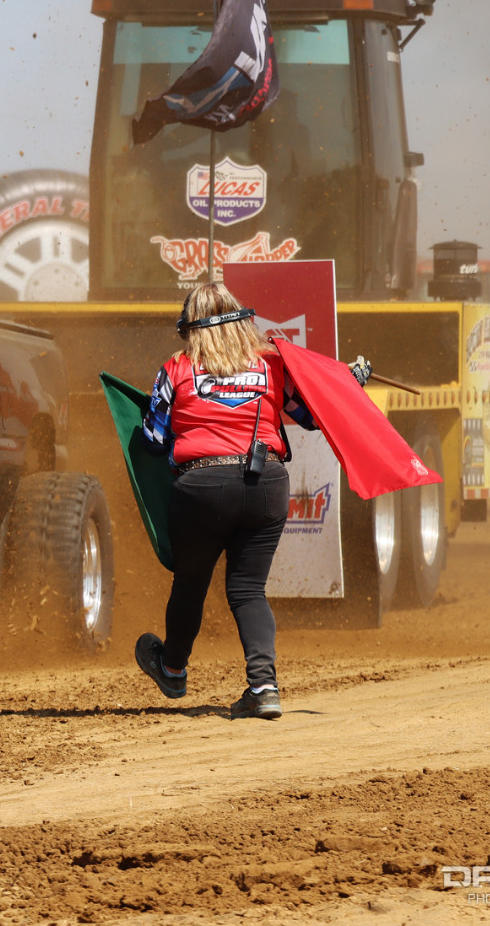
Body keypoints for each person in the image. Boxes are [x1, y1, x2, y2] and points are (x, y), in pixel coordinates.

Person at [133, 282, 365, 720]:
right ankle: (263, 687)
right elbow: (312, 419)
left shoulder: (176, 369)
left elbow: (152, 439)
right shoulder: (272, 364)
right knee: (247, 590)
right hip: (266, 485)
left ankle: (173, 668)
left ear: (189, 330)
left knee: (191, 583)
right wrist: (349, 384)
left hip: (201, 489)